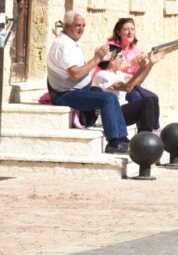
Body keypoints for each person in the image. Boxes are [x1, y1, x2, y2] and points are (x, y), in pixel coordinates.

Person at [47, 10, 130, 153]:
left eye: (83, 25)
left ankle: (123, 138)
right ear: (66, 26)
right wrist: (96, 59)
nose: (82, 29)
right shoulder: (64, 45)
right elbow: (75, 74)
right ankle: (114, 143)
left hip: (77, 90)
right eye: (77, 25)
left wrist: (100, 59)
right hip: (65, 93)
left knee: (106, 95)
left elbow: (80, 69)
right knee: (108, 99)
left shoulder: (71, 42)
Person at [92, 47, 162, 134]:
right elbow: (127, 88)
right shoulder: (102, 75)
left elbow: (138, 81)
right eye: (120, 57)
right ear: (112, 60)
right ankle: (144, 137)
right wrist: (140, 68)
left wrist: (149, 65)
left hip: (120, 110)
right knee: (147, 103)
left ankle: (147, 135)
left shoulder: (118, 74)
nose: (122, 60)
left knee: (151, 99)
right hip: (111, 113)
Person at [108, 18, 162, 131]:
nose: (130, 32)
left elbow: (140, 79)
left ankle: (155, 128)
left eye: (132, 29)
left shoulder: (136, 50)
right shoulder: (112, 48)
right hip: (119, 87)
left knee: (153, 97)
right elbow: (113, 70)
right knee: (137, 98)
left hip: (133, 85)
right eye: (126, 29)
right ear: (118, 32)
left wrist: (149, 65)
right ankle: (142, 130)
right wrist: (132, 63)